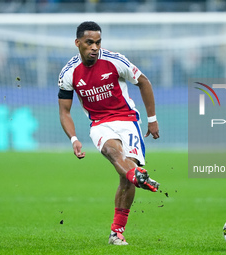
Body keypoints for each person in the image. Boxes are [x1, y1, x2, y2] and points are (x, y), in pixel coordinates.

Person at [57, 21, 160, 246]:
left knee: (126, 177)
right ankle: (138, 175)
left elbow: (143, 82)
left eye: (98, 42)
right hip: (100, 124)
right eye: (89, 42)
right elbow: (64, 111)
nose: (95, 47)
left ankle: (117, 232)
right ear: (78, 43)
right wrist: (74, 138)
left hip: (128, 121)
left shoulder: (115, 61)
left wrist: (152, 120)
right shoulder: (69, 73)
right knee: (114, 153)